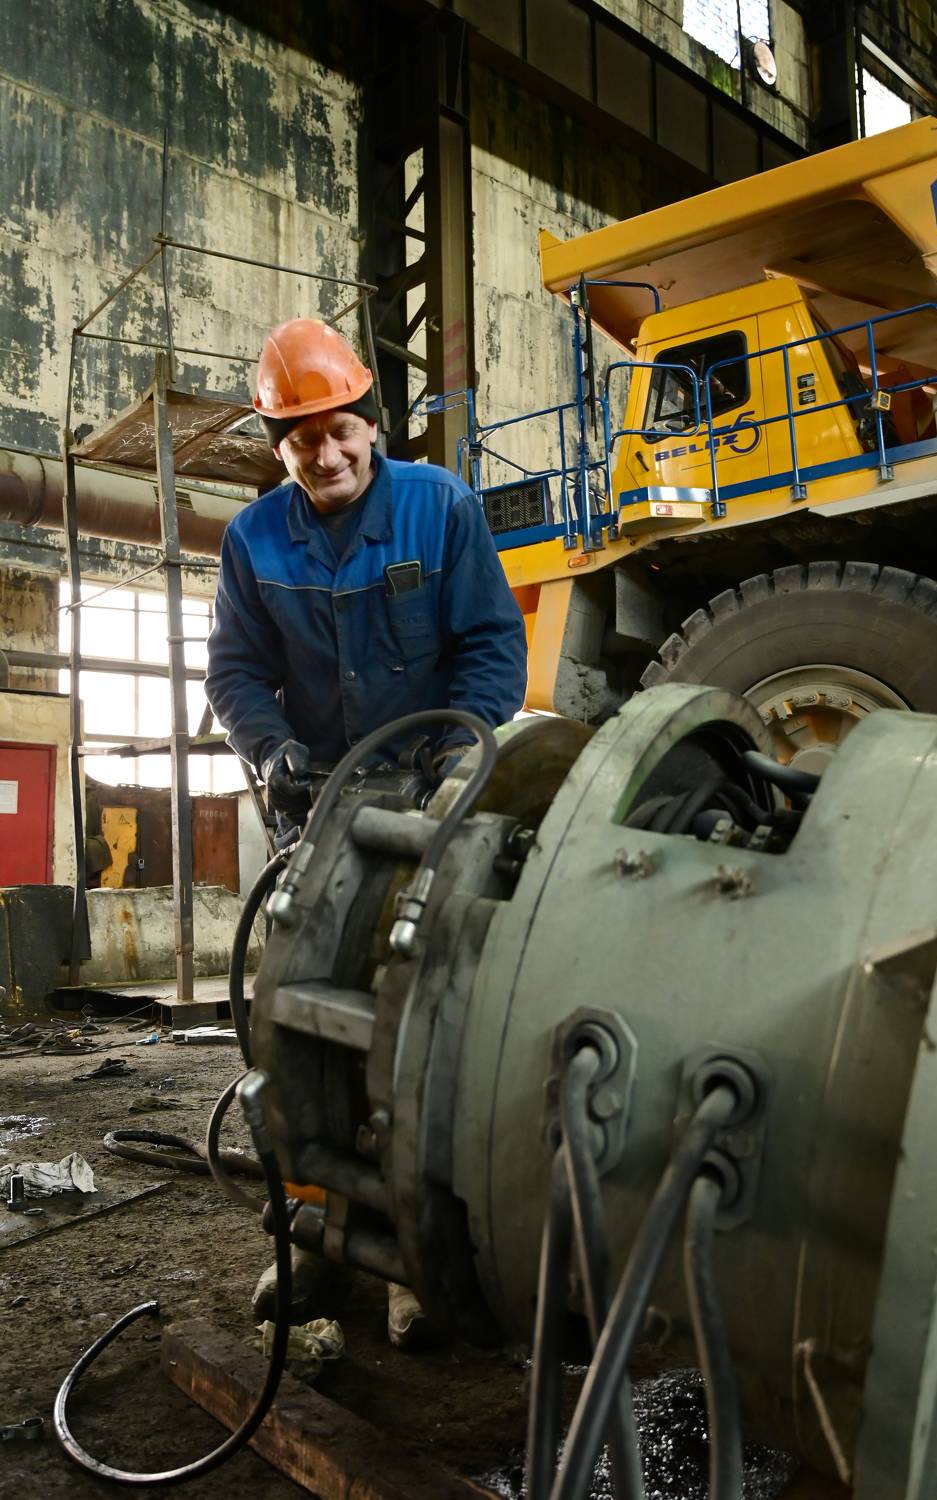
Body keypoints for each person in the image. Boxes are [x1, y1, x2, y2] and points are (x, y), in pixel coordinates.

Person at [205, 317, 528, 1345]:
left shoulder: (441, 507)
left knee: (419, 1026)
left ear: (370, 426)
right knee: (290, 1022)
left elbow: (491, 644)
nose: (327, 455)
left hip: (431, 798)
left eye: (340, 432)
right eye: (302, 440)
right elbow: (233, 671)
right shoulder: (255, 539)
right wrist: (272, 752)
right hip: (318, 808)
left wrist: (456, 756)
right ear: (279, 446)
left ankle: (403, 1253)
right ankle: (310, 1237)